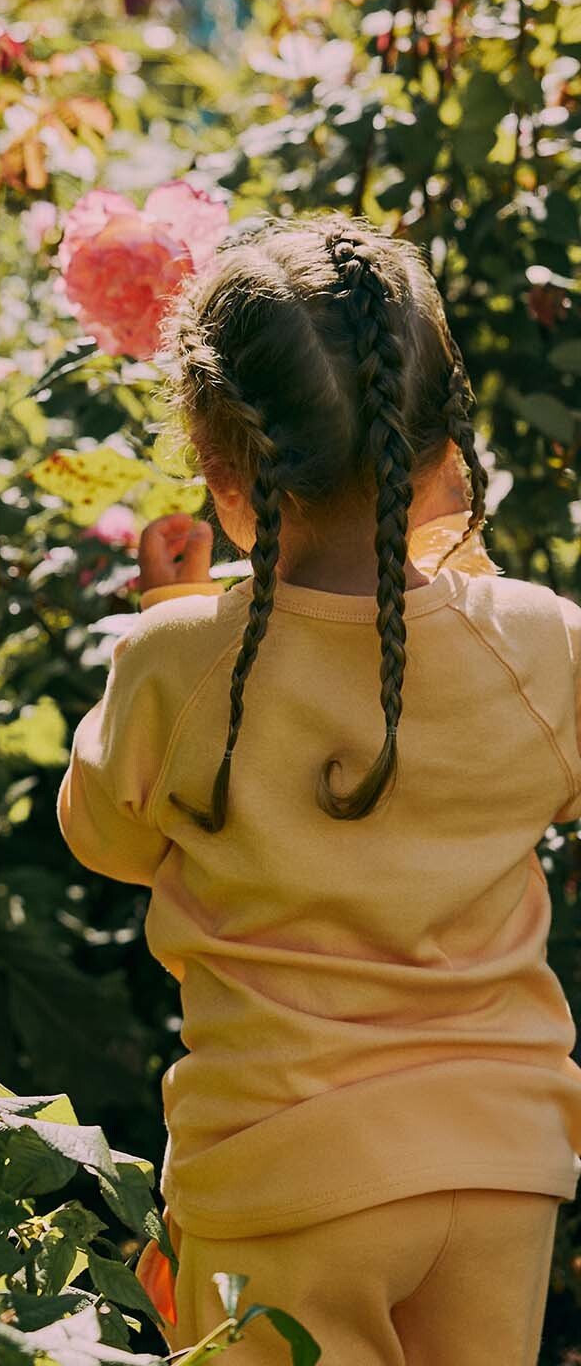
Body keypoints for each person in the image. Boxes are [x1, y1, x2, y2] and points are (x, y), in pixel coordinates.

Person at [58, 213, 581, 1364]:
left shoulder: (183, 664)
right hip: (501, 1165)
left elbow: (103, 834)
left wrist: (164, 612)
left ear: (224, 470)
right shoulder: (544, 646)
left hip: (281, 1180)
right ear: (445, 445)